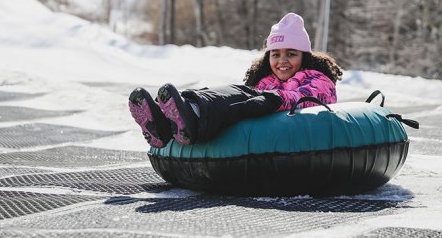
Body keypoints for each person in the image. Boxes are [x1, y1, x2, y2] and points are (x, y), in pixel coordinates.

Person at [128, 13, 342, 148]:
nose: (282, 61)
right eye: (275, 54)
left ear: (305, 56)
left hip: (298, 137)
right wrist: (265, 97)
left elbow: (309, 97)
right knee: (235, 93)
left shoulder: (318, 78)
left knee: (243, 96)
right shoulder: (266, 81)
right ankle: (167, 123)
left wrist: (273, 100)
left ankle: (191, 115)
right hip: (264, 122)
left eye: (291, 54)